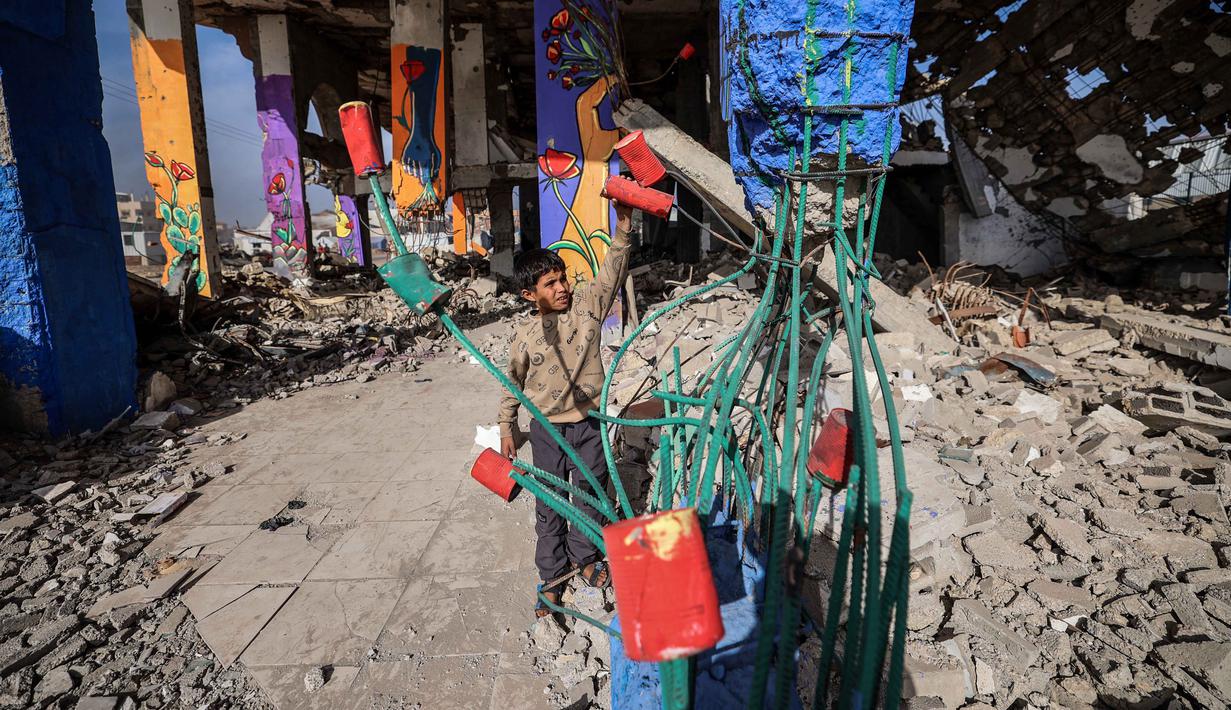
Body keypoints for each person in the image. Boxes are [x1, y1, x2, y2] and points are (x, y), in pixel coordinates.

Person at [498, 203, 633, 617]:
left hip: (589, 424)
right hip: (547, 431)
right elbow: (512, 382)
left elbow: (611, 271)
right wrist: (506, 426)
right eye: (550, 284)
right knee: (551, 504)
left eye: (562, 279)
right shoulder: (525, 335)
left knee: (590, 495)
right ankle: (553, 576)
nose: (562, 288)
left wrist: (624, 229)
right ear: (529, 295)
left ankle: (584, 557)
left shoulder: (588, 307)